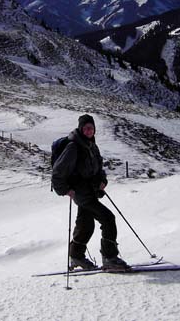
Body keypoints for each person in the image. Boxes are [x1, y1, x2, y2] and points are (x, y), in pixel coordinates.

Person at [52, 114, 129, 271]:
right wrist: (65, 190)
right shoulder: (73, 147)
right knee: (108, 219)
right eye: (86, 128)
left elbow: (98, 170)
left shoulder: (92, 146)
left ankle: (76, 256)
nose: (89, 131)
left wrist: (102, 181)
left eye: (91, 128)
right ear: (81, 129)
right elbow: (57, 172)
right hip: (82, 194)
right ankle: (110, 258)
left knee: (86, 225)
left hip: (90, 192)